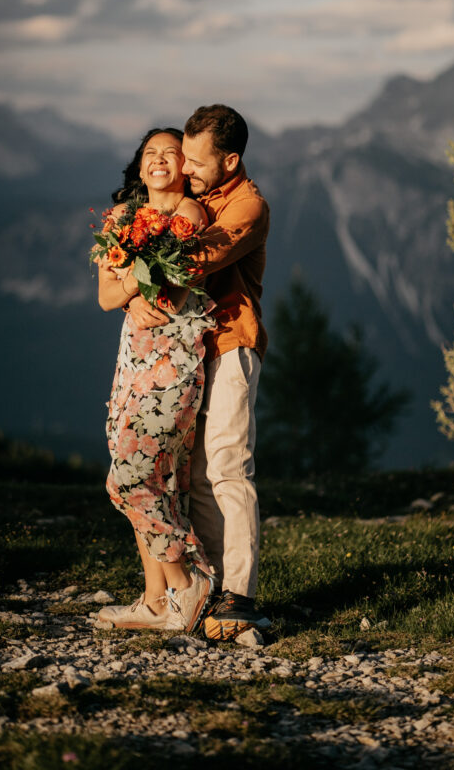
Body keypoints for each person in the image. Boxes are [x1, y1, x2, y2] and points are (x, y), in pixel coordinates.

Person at [127, 105, 269, 640]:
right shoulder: (197, 197)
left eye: (194, 160)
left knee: (229, 466)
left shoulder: (247, 207)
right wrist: (128, 300)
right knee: (196, 475)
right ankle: (208, 586)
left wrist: (132, 273)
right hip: (186, 351)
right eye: (179, 156)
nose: (183, 168)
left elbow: (192, 260)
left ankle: (241, 596)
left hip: (230, 345)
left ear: (230, 159)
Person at [95, 127, 216, 633]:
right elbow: (106, 296)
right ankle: (155, 601)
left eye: (172, 152)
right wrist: (130, 290)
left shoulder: (190, 214)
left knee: (128, 479)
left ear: (184, 165)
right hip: (133, 360)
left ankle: (190, 584)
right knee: (157, 481)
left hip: (174, 358)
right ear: (140, 167)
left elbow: (172, 281)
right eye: (151, 154)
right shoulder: (121, 217)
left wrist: (134, 286)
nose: (161, 159)